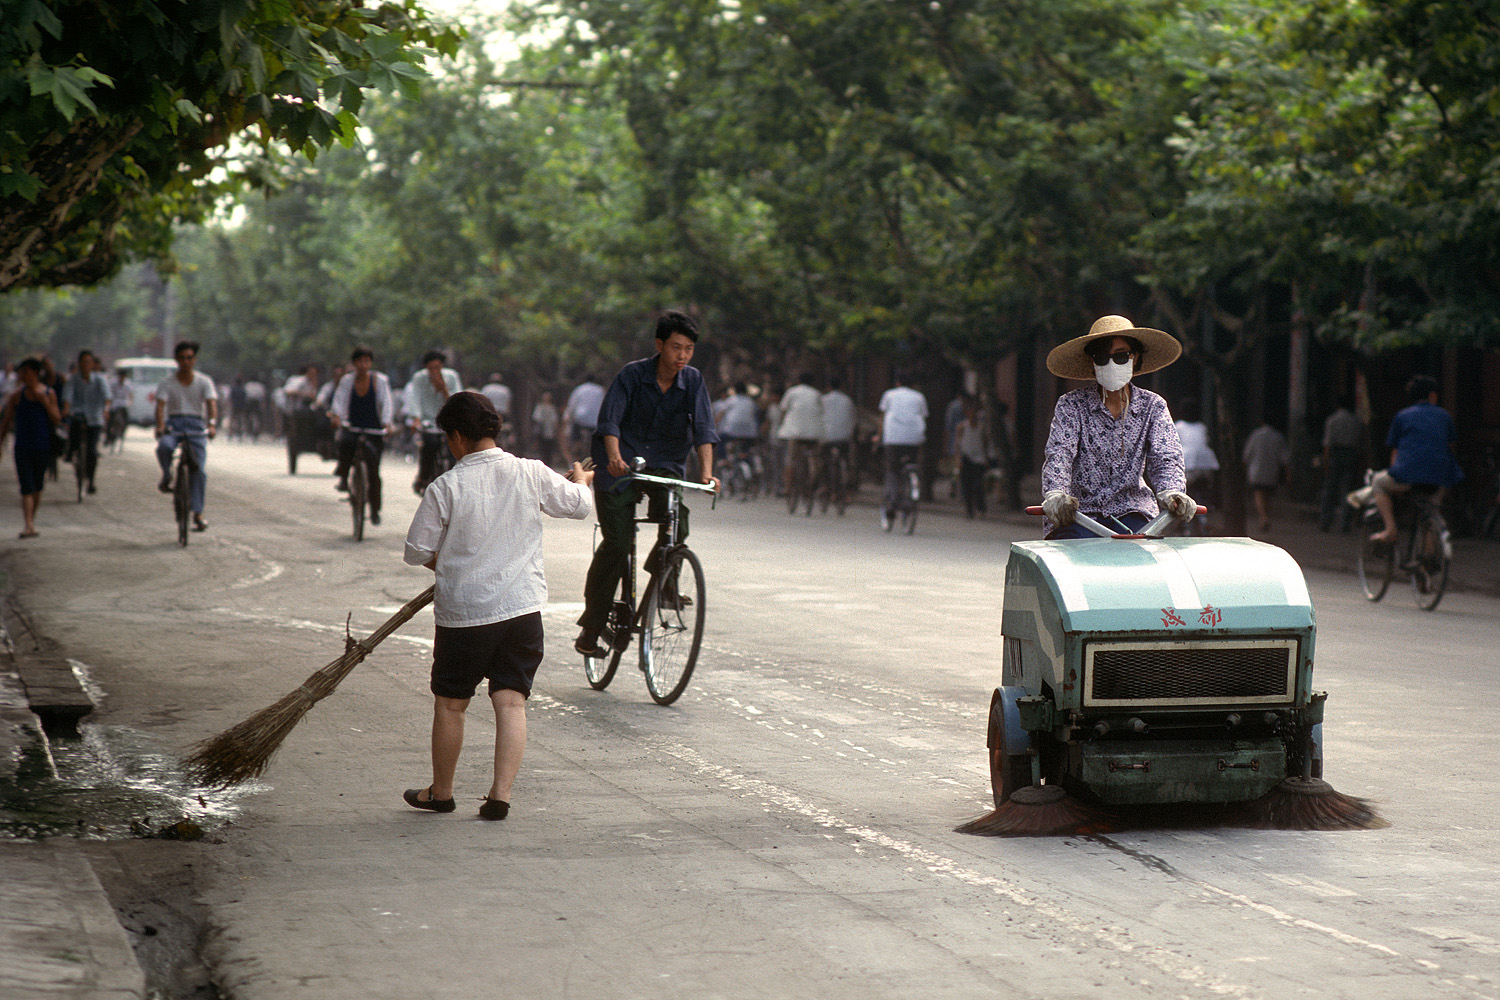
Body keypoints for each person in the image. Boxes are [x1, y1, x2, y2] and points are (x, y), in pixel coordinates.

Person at [402, 391, 593, 820]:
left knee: (452, 703)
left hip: (465, 614)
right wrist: (580, 480)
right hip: (521, 611)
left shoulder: (446, 486)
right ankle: (499, 796)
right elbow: (579, 505)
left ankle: (443, 793)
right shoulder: (530, 472)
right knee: (511, 702)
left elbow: (417, 549)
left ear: (456, 436)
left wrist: (446, 563)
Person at [574, 311, 720, 657]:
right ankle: (591, 628)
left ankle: (664, 579)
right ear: (660, 345)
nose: (682, 355)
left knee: (677, 522)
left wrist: (706, 473)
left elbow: (704, 429)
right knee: (618, 542)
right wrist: (613, 457)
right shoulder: (632, 375)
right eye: (675, 348)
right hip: (620, 464)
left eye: (688, 349)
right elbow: (610, 420)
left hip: (665, 464)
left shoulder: (694, 381)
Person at [1040, 315, 1193, 538]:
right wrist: (1056, 494)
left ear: (1136, 357)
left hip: (1134, 512)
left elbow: (1166, 457)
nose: (1111, 363)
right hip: (1079, 514)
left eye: (1121, 356)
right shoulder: (1071, 405)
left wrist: (1172, 491)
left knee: (1149, 560)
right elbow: (1059, 454)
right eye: (1102, 357)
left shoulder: (1153, 406)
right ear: (1092, 362)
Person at [1368, 374, 1464, 544]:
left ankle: (1390, 530)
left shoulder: (1403, 416)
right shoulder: (1444, 416)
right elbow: (1450, 446)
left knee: (1377, 482)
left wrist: (1395, 473)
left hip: (1407, 475)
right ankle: (1428, 555)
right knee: (1431, 512)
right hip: (1439, 477)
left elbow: (1395, 452)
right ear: (1432, 395)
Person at [154, 340, 218, 532]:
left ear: (194, 360)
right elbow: (160, 406)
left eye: (189, 358)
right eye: (182, 358)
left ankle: (198, 513)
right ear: (176, 360)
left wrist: (212, 425)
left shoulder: (204, 381)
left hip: (196, 426)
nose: (186, 361)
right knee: (164, 447)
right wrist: (160, 426)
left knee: (198, 470)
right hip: (174, 425)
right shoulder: (167, 382)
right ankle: (167, 475)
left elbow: (211, 404)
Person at [330, 346, 395, 525]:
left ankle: (375, 510)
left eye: (366, 361)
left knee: (374, 471)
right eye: (359, 361)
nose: (363, 365)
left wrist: (387, 423)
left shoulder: (380, 380)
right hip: (353, 426)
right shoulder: (347, 381)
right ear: (354, 363)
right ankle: (343, 476)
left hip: (374, 429)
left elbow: (386, 402)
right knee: (345, 443)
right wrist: (337, 417)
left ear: (370, 363)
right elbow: (340, 401)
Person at [0, 358, 63, 538]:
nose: (22, 376)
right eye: (21, 372)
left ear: (35, 373)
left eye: (25, 372)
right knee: (26, 486)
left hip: (43, 446)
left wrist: (44, 401)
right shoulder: (16, 396)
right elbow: (6, 422)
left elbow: (57, 418)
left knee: (37, 486)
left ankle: (30, 522)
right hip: (22, 447)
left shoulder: (48, 393)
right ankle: (28, 524)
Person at [875, 371, 929, 530]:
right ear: (913, 385)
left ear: (897, 383)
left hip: (893, 438)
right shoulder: (919, 397)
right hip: (913, 439)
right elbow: (924, 417)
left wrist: (879, 437)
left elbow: (882, 418)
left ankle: (892, 502)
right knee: (910, 464)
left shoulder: (889, 395)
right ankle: (911, 488)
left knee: (892, 471)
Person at [403, 351, 462, 495]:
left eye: (437, 367)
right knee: (429, 446)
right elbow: (415, 398)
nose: (434, 371)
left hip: (447, 421)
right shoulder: (419, 378)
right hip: (428, 422)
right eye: (431, 368)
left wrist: (444, 389)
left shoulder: (451, 377)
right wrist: (416, 419)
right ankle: (423, 477)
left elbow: (456, 400)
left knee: (453, 452)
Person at [61, 349, 110, 494]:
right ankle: (70, 451)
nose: (85, 365)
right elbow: (68, 397)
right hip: (78, 414)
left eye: (88, 362)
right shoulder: (73, 379)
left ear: (92, 364)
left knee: (92, 452)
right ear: (79, 364)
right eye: (83, 362)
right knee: (74, 436)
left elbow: (107, 397)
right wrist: (66, 408)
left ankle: (91, 481)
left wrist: (106, 409)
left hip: (95, 418)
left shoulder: (100, 380)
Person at [1318, 395, 1364, 533]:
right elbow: (1361, 443)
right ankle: (1345, 523)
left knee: (1329, 490)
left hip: (1336, 454)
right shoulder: (1356, 421)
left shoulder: (1333, 420)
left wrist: (1326, 461)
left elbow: (1327, 443)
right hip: (1351, 455)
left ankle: (1325, 521)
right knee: (1347, 490)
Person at [1173, 397, 1218, 536]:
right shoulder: (1202, 427)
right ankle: (1204, 520)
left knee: (1187, 494)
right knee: (1203, 493)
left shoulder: (1178, 426)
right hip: (1206, 464)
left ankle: (1186, 524)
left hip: (1188, 465)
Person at [777, 372, 823, 499]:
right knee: (814, 458)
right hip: (813, 433)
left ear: (798, 380)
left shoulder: (792, 392)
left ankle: (787, 487)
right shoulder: (817, 394)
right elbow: (822, 412)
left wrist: (781, 427)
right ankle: (812, 478)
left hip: (794, 432)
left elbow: (783, 410)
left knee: (791, 459)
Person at [1242, 416, 1289, 532]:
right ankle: (1265, 516)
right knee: (1268, 496)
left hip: (1256, 471)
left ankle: (1263, 517)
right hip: (1272, 471)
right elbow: (1284, 458)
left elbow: (1247, 454)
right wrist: (1287, 473)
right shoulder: (1278, 437)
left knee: (1259, 494)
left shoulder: (1255, 435)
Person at [952, 395, 992, 519]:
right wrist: (958, 459)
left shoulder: (981, 427)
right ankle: (969, 510)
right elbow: (957, 444)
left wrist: (985, 458)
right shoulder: (962, 427)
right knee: (966, 485)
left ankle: (981, 508)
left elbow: (985, 443)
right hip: (966, 458)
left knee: (978, 485)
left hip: (979, 459)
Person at [562, 374, 605, 464]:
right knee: (594, 442)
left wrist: (567, 417)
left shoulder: (579, 389)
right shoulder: (600, 390)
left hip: (580, 419)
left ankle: (574, 459)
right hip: (595, 421)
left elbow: (572, 405)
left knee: (576, 440)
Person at [530, 389, 560, 468]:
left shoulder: (552, 408)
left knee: (549, 447)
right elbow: (537, 419)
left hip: (550, 431)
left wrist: (556, 430)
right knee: (542, 447)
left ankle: (549, 462)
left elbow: (555, 420)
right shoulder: (539, 407)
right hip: (541, 430)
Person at [108, 368, 133, 445]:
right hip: (115, 404)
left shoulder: (128, 383)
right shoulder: (113, 382)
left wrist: (130, 402)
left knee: (126, 419)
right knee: (111, 420)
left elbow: (131, 394)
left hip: (124, 404)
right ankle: (109, 434)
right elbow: (110, 394)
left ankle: (123, 431)